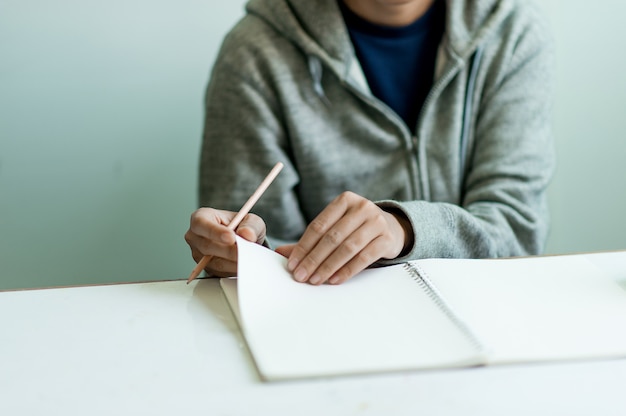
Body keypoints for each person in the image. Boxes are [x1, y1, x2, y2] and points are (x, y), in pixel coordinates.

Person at [184, 0, 555, 286]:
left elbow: (516, 233)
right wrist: (247, 254)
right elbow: (252, 253)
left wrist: (405, 230)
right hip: (319, 333)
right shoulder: (253, 54)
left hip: (479, 318)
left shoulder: (512, 34)